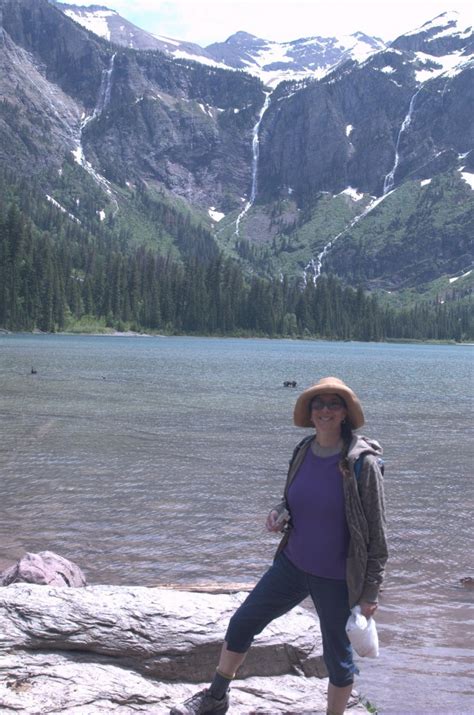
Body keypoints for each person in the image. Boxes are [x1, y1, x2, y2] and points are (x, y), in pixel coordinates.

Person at [170, 376, 388, 715]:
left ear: (345, 412)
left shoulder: (362, 462)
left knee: (338, 660)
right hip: (292, 565)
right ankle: (215, 698)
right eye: (319, 404)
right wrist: (279, 512)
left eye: (334, 404)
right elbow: (292, 499)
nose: (325, 410)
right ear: (310, 412)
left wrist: (370, 593)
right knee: (242, 623)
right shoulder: (303, 450)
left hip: (336, 579)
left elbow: (377, 535)